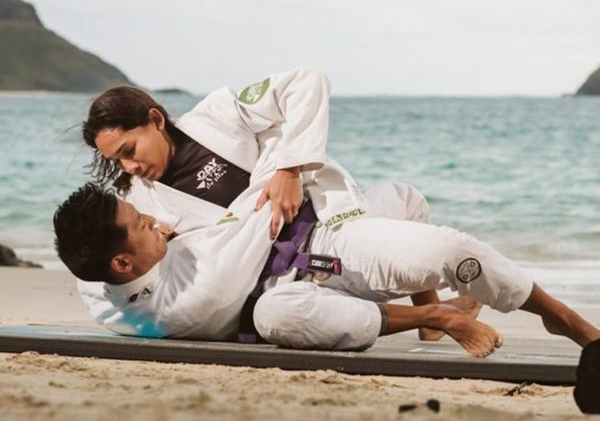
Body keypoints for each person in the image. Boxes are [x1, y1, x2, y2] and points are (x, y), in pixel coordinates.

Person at [57, 68, 599, 355]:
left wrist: (290, 167)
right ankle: (433, 317)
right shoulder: (142, 206)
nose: (130, 167)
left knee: (436, 235)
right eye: (117, 161)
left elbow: (306, 81)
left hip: (328, 229)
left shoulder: (219, 114)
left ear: (155, 120)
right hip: (284, 284)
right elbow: (131, 272)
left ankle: (559, 316)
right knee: (411, 231)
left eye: (130, 150)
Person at [54, 182, 600, 357]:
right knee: (450, 253)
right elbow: (255, 220)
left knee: (404, 197)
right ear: (122, 261)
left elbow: (160, 224)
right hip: (312, 278)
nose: (154, 221)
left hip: (315, 240)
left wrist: (160, 225)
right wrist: (285, 173)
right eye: (141, 224)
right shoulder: (195, 295)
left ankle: (431, 311)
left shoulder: (97, 283)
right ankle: (559, 319)